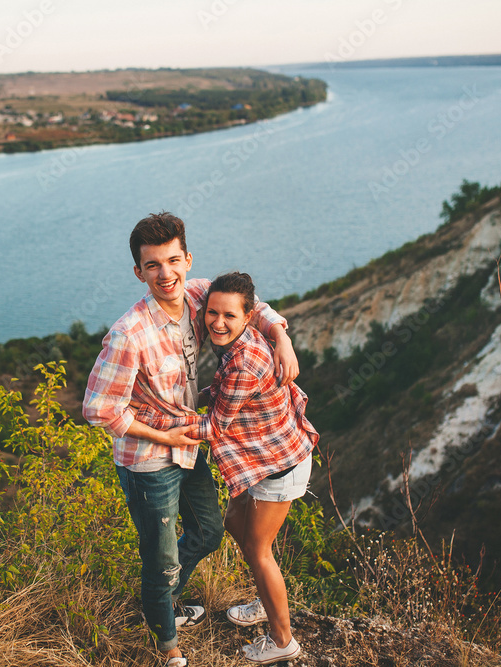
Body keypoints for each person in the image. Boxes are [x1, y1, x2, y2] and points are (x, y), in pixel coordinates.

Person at [82, 213, 299, 667]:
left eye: (173, 260)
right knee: (160, 557)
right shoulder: (128, 334)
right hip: (147, 458)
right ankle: (167, 645)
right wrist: (157, 430)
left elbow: (250, 304)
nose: (166, 274)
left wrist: (281, 336)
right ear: (138, 272)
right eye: (153, 265)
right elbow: (99, 409)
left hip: (187, 444)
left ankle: (161, 603)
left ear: (188, 259)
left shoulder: (199, 294)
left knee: (209, 530)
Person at [134, 271, 319, 665]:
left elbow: (213, 427)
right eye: (212, 313)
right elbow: (218, 394)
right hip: (261, 460)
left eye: (229, 316)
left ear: (247, 317)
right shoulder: (237, 341)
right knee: (235, 526)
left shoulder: (244, 360)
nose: (217, 322)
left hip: (278, 464)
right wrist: (183, 396)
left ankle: (282, 639)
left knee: (258, 548)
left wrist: (158, 415)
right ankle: (266, 600)